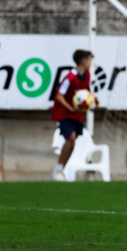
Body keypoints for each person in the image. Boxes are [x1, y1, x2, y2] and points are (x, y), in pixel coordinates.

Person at [52, 49, 96, 181]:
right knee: (71, 138)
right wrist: (70, 108)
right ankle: (58, 169)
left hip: (77, 115)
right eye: (89, 60)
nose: (90, 63)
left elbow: (86, 92)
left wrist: (93, 99)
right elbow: (59, 95)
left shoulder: (87, 75)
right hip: (64, 113)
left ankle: (61, 169)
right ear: (83, 61)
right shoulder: (70, 77)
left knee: (72, 142)